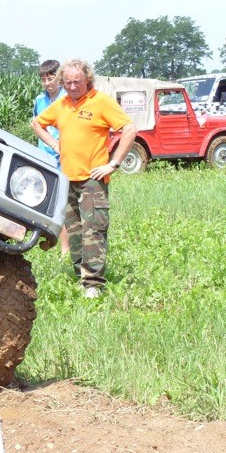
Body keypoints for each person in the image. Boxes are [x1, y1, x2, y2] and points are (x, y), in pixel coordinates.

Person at [31, 58, 137, 299]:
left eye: (76, 81)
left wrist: (113, 163)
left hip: (93, 180)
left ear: (87, 80)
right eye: (67, 82)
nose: (72, 86)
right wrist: (53, 143)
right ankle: (80, 276)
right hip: (67, 178)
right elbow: (37, 123)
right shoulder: (62, 104)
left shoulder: (101, 102)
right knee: (75, 230)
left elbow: (129, 129)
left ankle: (94, 283)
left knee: (94, 231)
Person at [33, 59, 70, 255]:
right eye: (44, 79)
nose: (48, 82)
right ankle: (51, 241)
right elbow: (38, 126)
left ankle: (66, 249)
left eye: (51, 77)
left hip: (66, 156)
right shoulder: (39, 100)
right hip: (45, 156)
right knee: (48, 201)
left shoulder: (68, 98)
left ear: (59, 77)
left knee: (64, 202)